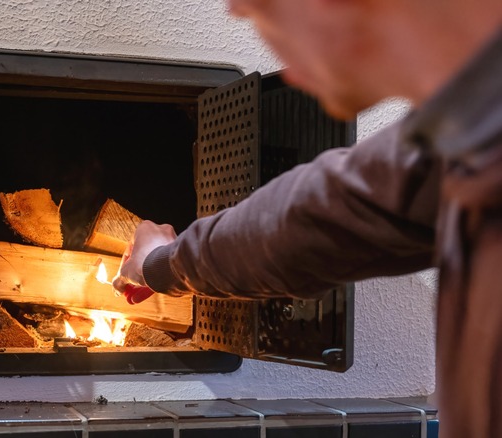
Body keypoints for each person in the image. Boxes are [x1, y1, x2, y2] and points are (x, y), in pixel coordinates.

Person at [112, 1, 502, 436]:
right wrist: (159, 263)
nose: (291, 70)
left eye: (264, 15)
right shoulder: (463, 137)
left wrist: (160, 261)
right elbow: (303, 223)